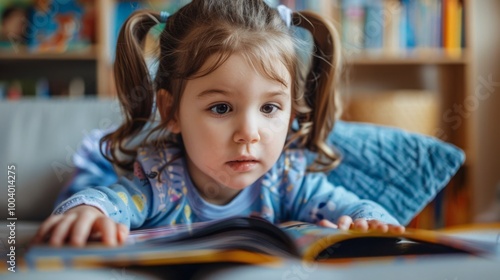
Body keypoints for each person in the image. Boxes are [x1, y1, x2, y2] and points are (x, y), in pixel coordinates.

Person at [33, 0, 404, 247]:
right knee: (86, 183)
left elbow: (360, 209)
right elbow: (111, 201)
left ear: (292, 111)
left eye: (271, 108)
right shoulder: (162, 180)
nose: (249, 133)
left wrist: (368, 224)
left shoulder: (288, 181)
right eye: (222, 108)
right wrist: (88, 210)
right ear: (171, 111)